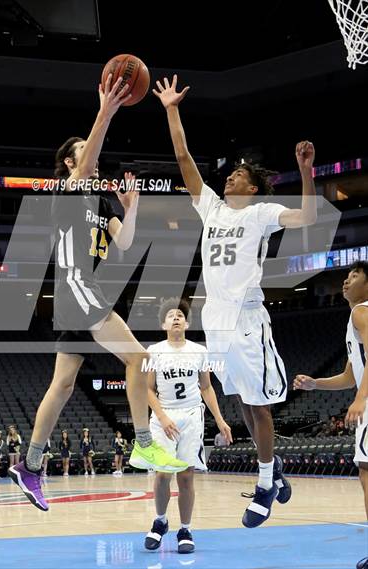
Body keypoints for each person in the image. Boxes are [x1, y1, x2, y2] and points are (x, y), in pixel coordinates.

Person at [8, 74, 188, 511]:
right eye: (83, 157)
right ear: (71, 164)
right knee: (139, 358)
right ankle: (143, 442)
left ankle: (30, 465)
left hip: (82, 293)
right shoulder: (67, 192)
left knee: (64, 384)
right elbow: (88, 163)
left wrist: (132, 208)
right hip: (77, 289)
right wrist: (106, 110)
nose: (94, 164)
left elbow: (124, 244)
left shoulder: (101, 204)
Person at [153, 74, 317, 528]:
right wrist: (171, 108)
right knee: (243, 403)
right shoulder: (212, 207)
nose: (230, 177)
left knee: (258, 406)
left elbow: (305, 216)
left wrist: (305, 172)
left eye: (239, 175)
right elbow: (184, 157)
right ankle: (272, 468)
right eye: (230, 174)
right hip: (215, 320)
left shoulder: (263, 213)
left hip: (246, 319)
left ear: (254, 189)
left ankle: (265, 482)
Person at [294, 261, 368, 569]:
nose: (346, 281)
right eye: (347, 276)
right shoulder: (355, 318)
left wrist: (362, 399)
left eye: (355, 276)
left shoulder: (361, 312)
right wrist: (316, 383)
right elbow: (351, 376)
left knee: (367, 472)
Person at [144, 297, 232, 553]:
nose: (176, 318)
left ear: (187, 322)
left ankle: (185, 529)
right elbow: (148, 390)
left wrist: (219, 419)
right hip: (164, 416)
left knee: (186, 475)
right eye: (171, 315)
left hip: (192, 415)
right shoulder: (154, 351)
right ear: (163, 324)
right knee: (162, 474)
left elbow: (206, 387)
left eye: (180, 315)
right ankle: (160, 522)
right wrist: (161, 416)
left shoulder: (200, 351)